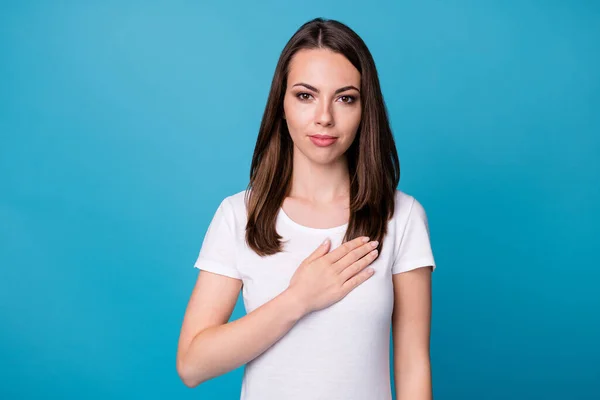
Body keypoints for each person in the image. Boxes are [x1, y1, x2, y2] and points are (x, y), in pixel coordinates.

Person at [176, 17, 436, 400]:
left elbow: (413, 365)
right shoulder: (239, 215)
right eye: (305, 95)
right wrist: (299, 299)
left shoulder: (402, 217)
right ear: (281, 104)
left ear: (366, 109)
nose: (324, 117)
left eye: (345, 98)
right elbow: (193, 364)